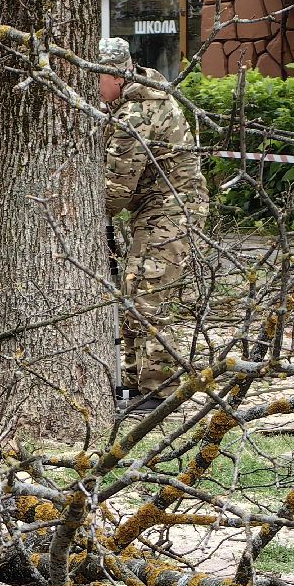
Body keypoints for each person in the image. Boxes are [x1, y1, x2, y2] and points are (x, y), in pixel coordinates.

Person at [99, 36, 207, 412]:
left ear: (117, 73)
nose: (94, 89)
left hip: (171, 212)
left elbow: (116, 189)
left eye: (97, 79)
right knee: (133, 291)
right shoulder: (134, 99)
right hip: (156, 210)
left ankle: (159, 390)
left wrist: (86, 215)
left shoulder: (137, 114)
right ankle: (135, 379)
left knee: (144, 297)